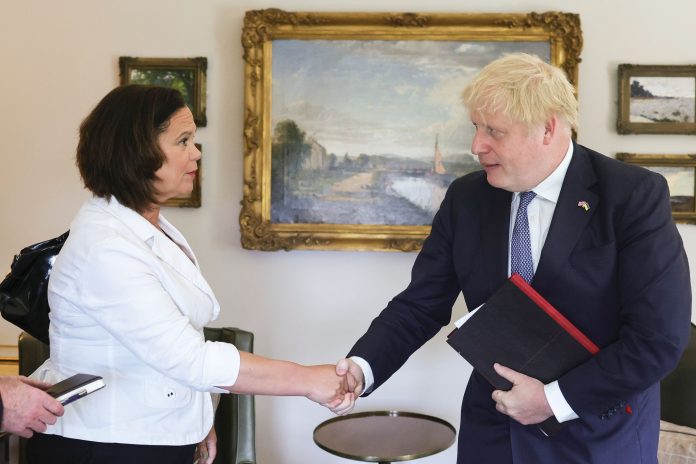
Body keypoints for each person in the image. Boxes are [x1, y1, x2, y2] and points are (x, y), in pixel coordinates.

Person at [331, 53, 692, 463]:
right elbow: (420, 305)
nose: (475, 146)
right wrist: (362, 367)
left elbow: (658, 340)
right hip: (493, 436)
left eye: (493, 131)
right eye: (475, 127)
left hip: (596, 437)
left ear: (548, 128)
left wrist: (552, 400)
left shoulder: (632, 196)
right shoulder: (466, 199)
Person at [26, 85, 351, 464]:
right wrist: (310, 380)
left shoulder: (144, 226)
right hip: (107, 446)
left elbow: (169, 341)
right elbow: (188, 358)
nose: (196, 152)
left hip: (151, 434)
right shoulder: (105, 249)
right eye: (183, 141)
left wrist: (194, 422)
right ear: (136, 152)